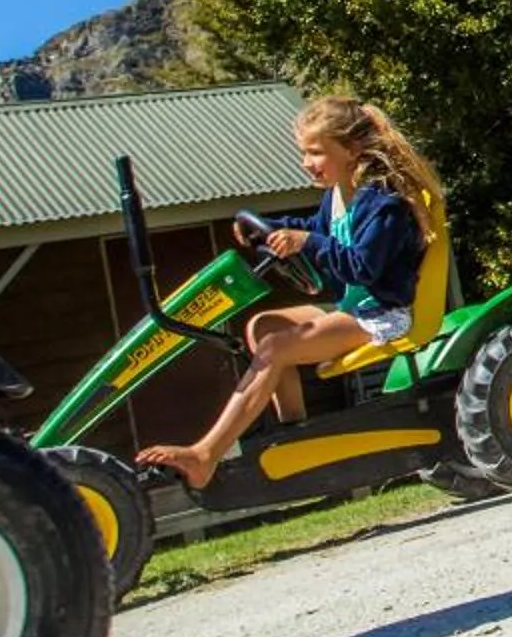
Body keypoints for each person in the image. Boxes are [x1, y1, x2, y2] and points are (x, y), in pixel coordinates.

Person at [136, 96, 440, 491]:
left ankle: (205, 454)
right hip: (354, 307)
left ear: (351, 150)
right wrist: (269, 227)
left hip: (382, 314)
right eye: (304, 153)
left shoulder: (384, 205)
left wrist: (306, 241)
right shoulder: (337, 198)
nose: (306, 163)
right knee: (264, 325)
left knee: (277, 347)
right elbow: (312, 227)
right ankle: (295, 430)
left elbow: (362, 266)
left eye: (316, 153)